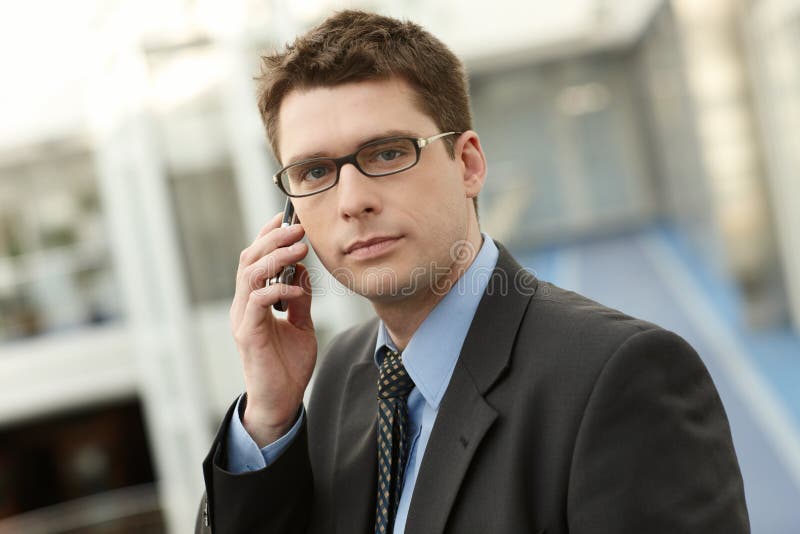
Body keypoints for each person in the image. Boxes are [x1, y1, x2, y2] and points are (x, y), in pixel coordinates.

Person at [196, 10, 749, 534]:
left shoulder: (621, 378)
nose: (352, 201)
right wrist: (268, 416)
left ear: (468, 164)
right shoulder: (340, 373)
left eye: (388, 154)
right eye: (315, 171)